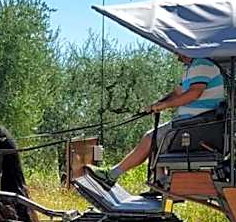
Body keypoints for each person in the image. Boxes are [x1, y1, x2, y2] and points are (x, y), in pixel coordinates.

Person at [87, 54, 225, 186]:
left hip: (194, 127)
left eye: (178, 52)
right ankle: (159, 181)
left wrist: (165, 105)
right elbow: (178, 93)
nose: (178, 57)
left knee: (150, 138)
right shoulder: (192, 68)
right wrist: (158, 104)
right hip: (190, 125)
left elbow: (194, 93)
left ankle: (111, 175)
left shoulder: (202, 64)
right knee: (155, 138)